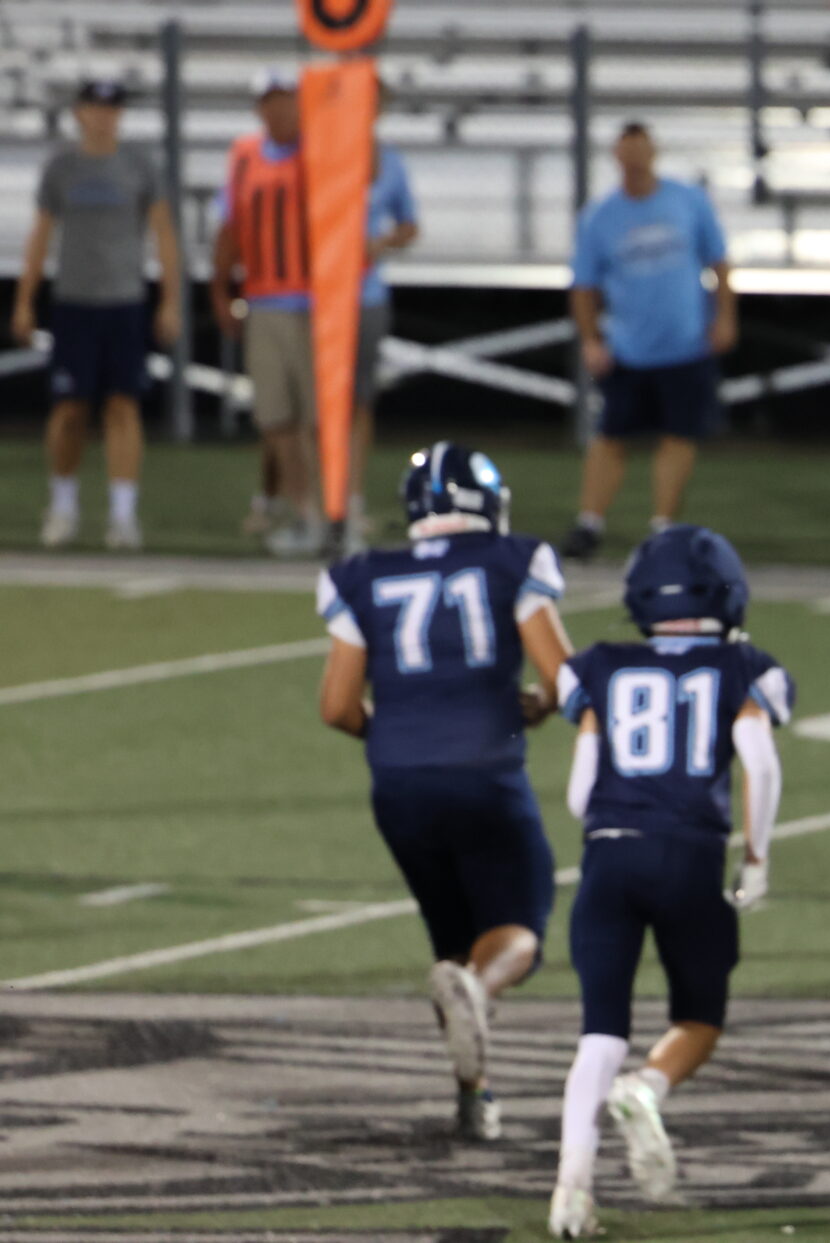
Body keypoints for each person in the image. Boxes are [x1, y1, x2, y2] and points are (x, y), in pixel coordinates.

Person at [315, 444, 572, 1143]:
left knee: (453, 945)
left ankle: (475, 1097)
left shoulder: (363, 573)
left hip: (398, 783)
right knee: (517, 926)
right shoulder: (513, 559)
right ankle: (481, 994)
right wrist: (538, 707)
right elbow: (564, 679)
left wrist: (399, 734)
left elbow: (337, 707)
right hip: (484, 772)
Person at [546, 525, 791, 1239]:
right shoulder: (742, 666)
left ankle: (570, 1192)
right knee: (699, 1016)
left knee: (598, 1035)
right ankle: (649, 1087)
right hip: (689, 858)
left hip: (607, 860)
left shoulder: (600, 665)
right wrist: (756, 859)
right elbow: (760, 764)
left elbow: (579, 796)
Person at [16, 80, 181, 550]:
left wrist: (170, 299)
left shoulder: (138, 165)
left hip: (124, 301)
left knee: (123, 406)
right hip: (74, 301)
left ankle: (123, 513)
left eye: (112, 108)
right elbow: (41, 234)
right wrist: (26, 299)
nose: (104, 116)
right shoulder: (62, 167)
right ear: (80, 112)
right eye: (96, 107)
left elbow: (163, 233)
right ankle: (63, 504)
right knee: (69, 408)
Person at [564, 122, 736, 560]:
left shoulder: (687, 200)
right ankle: (589, 523)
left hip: (685, 343)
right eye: (627, 153)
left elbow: (719, 262)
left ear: (653, 153)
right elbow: (583, 284)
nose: (635, 161)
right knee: (610, 436)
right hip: (629, 347)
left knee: (678, 435)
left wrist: (724, 317)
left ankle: (663, 527)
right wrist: (591, 339)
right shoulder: (600, 216)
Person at [212, 70, 324, 557]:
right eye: (270, 102)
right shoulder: (244, 157)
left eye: (285, 100)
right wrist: (220, 289)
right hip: (263, 300)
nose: (278, 110)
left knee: (317, 418)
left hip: (315, 304)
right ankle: (303, 512)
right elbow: (229, 226)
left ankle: (331, 511)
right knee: (277, 418)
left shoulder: (319, 152)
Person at [355, 138, 421, 540]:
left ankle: (351, 499)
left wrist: (379, 243)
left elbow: (409, 225)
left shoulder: (387, 161)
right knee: (312, 407)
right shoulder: (316, 152)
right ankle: (311, 501)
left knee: (360, 401)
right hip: (313, 296)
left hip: (366, 294)